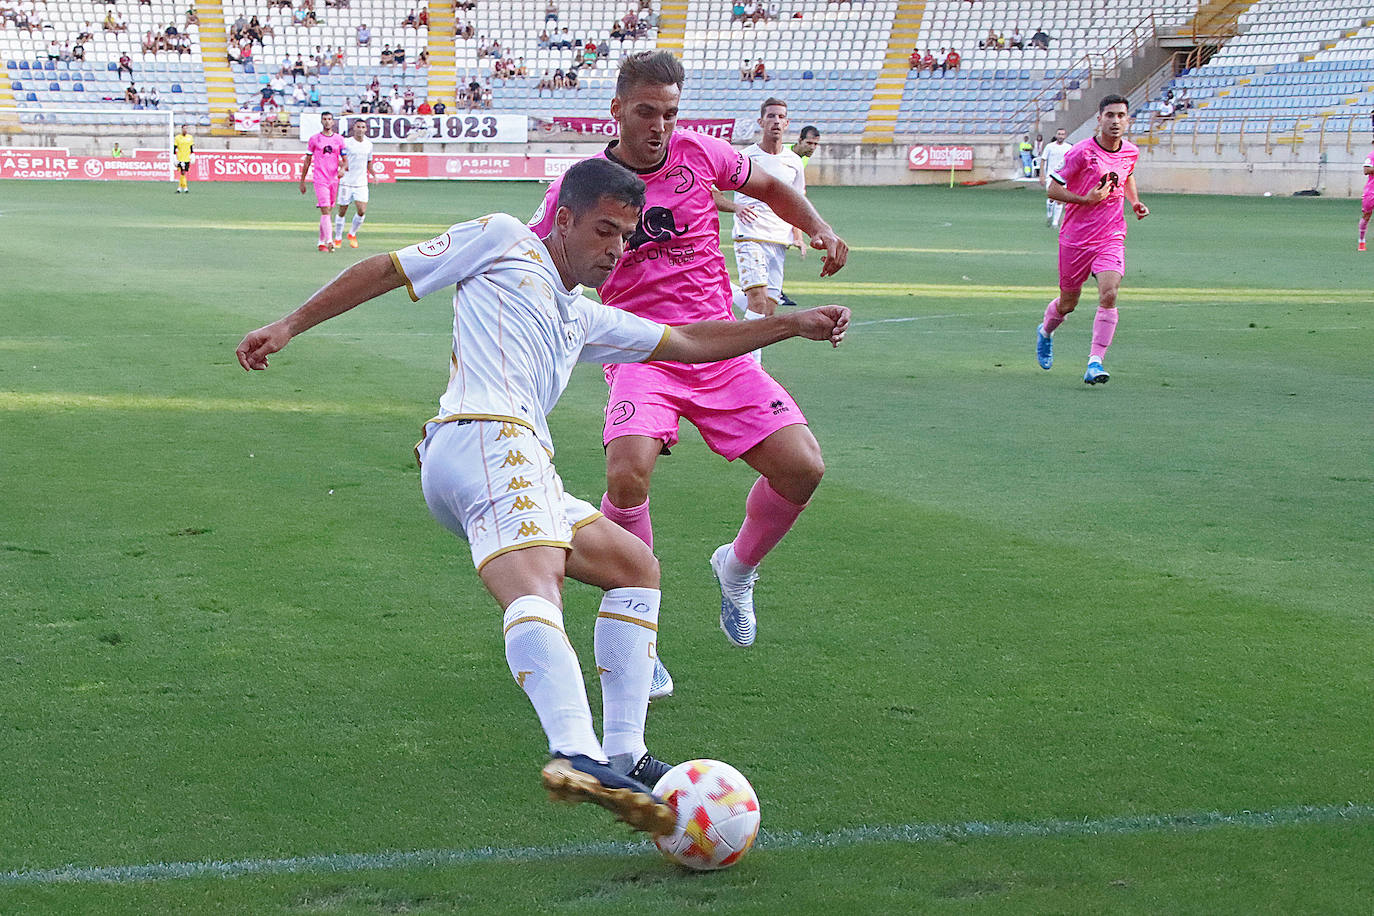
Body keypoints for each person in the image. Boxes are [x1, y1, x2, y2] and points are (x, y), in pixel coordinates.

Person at [234, 157, 850, 834]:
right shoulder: (503, 239)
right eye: (604, 230)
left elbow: (693, 341)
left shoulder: (584, 318)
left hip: (510, 459)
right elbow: (388, 268)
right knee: (536, 585)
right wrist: (289, 325)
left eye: (625, 236)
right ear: (563, 219)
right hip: (486, 438)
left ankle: (625, 752)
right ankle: (575, 751)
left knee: (634, 568)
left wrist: (790, 325)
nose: (615, 249)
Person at [527, 51, 849, 696]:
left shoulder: (702, 154)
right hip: (643, 349)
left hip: (721, 346)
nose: (659, 126)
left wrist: (816, 226)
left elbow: (769, 186)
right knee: (627, 469)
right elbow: (543, 252)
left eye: (670, 114)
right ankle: (637, 635)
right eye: (646, 112)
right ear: (616, 110)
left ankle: (736, 567)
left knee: (803, 467)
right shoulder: (585, 182)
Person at [1035, 95, 1149, 385]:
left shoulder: (1130, 152)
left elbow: (1127, 176)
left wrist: (1135, 202)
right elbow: (1052, 189)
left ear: (1128, 120)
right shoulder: (1081, 153)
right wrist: (1085, 200)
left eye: (1121, 115)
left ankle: (1095, 362)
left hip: (1111, 235)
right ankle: (1046, 331)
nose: (1115, 121)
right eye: (1109, 115)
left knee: (1109, 293)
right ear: (1099, 119)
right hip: (1075, 238)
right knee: (1068, 302)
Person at [712, 97, 808, 363]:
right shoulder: (745, 157)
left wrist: (798, 234)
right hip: (750, 235)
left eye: (781, 117)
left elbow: (798, 199)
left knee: (767, 310)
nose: (776, 121)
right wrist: (735, 207)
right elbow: (712, 190)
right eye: (771, 116)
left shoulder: (794, 162)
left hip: (779, 240)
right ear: (761, 121)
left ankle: (721, 289)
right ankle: (750, 370)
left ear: (787, 123)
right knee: (757, 301)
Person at [299, 111, 346, 252]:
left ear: (333, 122)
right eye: (324, 119)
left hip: (334, 180)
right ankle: (329, 241)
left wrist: (343, 168)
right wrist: (302, 181)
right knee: (325, 210)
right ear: (321, 121)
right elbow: (307, 161)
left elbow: (345, 160)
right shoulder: (314, 139)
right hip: (320, 179)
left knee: (328, 210)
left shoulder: (339, 139)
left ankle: (321, 242)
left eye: (329, 119)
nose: (327, 121)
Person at [334, 118, 373, 249]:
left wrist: (374, 174)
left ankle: (352, 234)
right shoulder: (346, 143)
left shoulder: (369, 144)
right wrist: (343, 167)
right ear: (354, 128)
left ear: (366, 129)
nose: (360, 129)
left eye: (363, 127)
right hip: (346, 182)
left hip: (361, 182)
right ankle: (338, 237)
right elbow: (336, 158)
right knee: (342, 211)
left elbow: (369, 161)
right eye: (358, 127)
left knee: (361, 210)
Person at [1038, 127, 1072, 228]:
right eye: (1059, 134)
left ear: (1065, 136)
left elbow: (1072, 162)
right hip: (1050, 175)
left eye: (1062, 134)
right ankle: (1049, 215)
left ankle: (1055, 222)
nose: (1061, 136)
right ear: (1056, 135)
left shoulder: (1069, 147)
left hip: (1063, 177)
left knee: (1060, 199)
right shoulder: (1049, 147)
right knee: (1051, 197)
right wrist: (1042, 175)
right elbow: (1043, 160)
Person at [1359, 141, 1373, 251]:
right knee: (1367, 215)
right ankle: (1361, 241)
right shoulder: (1371, 156)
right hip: (1371, 191)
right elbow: (1366, 170)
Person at [172, 122, 194, 193]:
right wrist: (174, 156)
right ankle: (185, 188)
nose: (185, 130)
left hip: (187, 157)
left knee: (183, 173)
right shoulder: (177, 138)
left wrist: (192, 155)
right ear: (181, 129)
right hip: (180, 158)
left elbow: (191, 148)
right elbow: (174, 148)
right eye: (184, 128)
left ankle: (179, 188)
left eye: (186, 129)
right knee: (183, 172)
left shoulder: (190, 137)